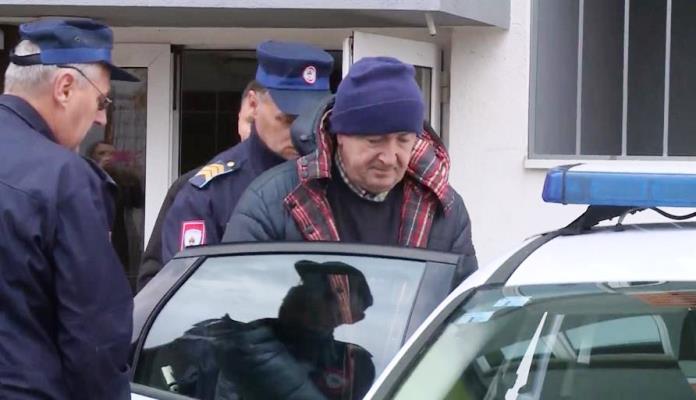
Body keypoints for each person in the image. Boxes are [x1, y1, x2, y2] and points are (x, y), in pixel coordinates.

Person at [223, 57, 477, 283]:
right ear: (340, 134)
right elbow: (236, 299)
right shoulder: (271, 202)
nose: (389, 157)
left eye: (403, 140)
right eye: (374, 140)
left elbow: (464, 312)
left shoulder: (444, 209)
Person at [0, 19, 138, 400]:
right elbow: (93, 339)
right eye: (102, 101)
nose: (101, 118)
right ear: (64, 88)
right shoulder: (65, 179)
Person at [156, 41, 334, 267]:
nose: (301, 132)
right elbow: (191, 282)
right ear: (253, 105)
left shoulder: (339, 180)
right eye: (287, 120)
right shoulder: (211, 193)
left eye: (311, 119)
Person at [168, 260, 375, 400]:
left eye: (330, 294)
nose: (304, 292)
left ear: (351, 316)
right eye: (304, 283)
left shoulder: (355, 364)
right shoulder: (239, 340)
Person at [136, 80, 264, 290]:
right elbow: (152, 277)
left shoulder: (306, 185)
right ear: (238, 119)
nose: (255, 137)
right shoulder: (197, 188)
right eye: (250, 123)